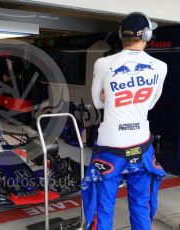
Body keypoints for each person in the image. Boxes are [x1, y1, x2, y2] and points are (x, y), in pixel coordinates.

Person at [82, 12, 167, 230]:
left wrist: (108, 96)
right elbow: (149, 105)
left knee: (103, 209)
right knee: (141, 205)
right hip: (141, 146)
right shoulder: (160, 66)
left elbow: (98, 104)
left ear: (121, 35)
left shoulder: (103, 63)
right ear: (147, 35)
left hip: (111, 149)